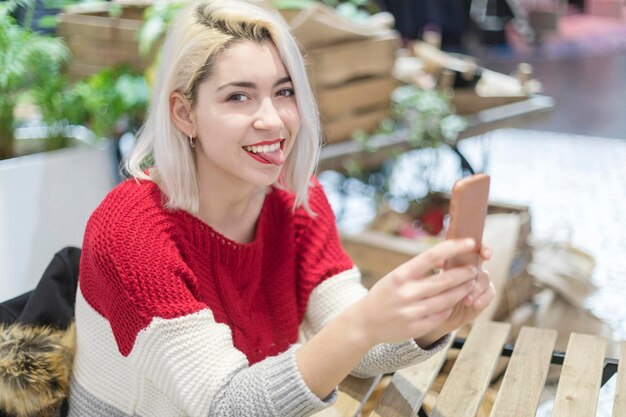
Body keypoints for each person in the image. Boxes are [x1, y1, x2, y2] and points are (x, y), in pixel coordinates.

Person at [68, 1, 495, 416]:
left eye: (284, 91)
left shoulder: (296, 199)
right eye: (238, 97)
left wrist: (432, 319)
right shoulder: (130, 232)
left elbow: (354, 345)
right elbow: (226, 405)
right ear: (184, 113)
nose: (272, 120)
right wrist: (364, 322)